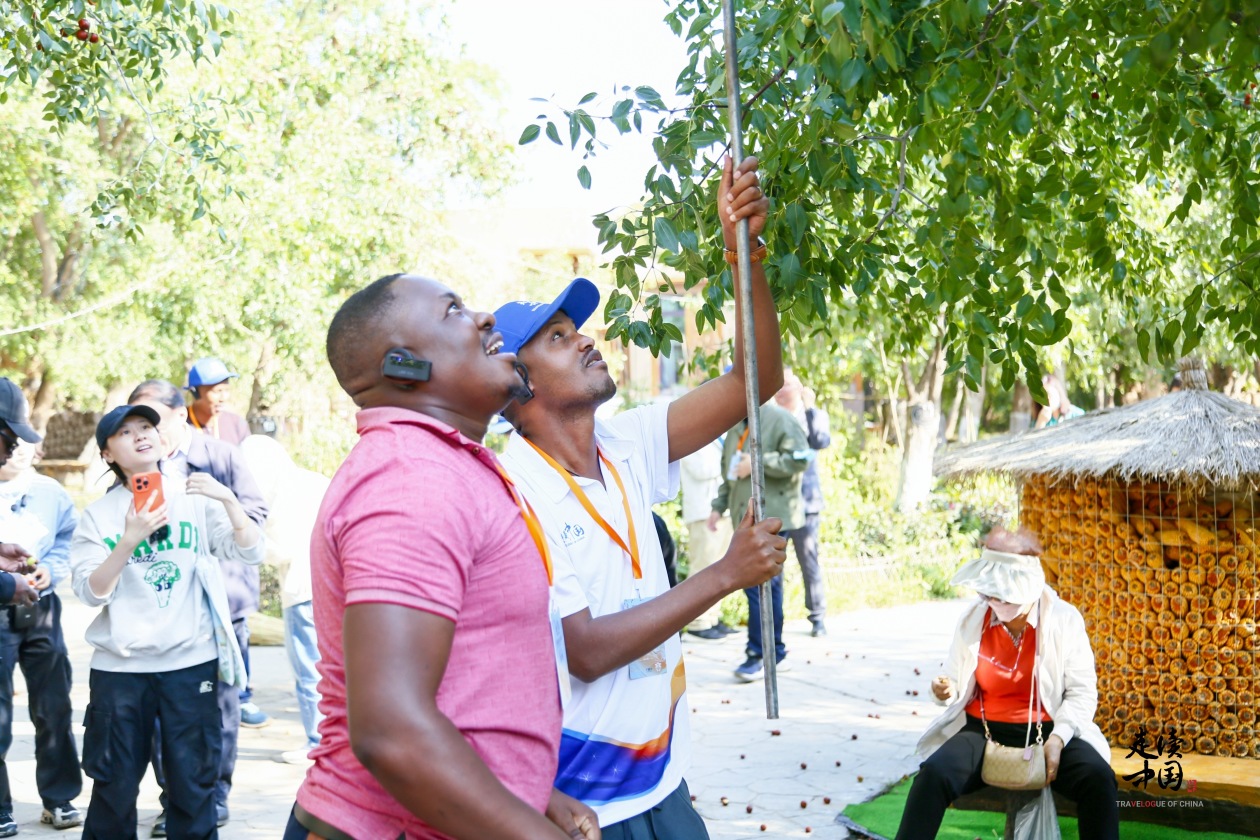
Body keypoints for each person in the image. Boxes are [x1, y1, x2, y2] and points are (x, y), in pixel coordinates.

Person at [494, 155, 788, 839]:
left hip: (664, 778)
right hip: (586, 805)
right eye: (558, 338)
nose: (586, 340)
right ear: (518, 386)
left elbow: (757, 376)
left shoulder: (625, 442)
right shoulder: (518, 492)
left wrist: (742, 255)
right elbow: (586, 650)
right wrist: (726, 574)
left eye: (577, 329)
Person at [287, 274, 598, 840]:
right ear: (403, 365)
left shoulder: (438, 463)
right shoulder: (411, 478)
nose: (484, 318)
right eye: (453, 310)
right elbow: (392, 732)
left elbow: (463, 689)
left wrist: (529, 793)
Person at [71, 405, 264, 840]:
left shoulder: (194, 496)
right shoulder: (99, 515)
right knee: (113, 789)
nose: (141, 435)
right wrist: (129, 540)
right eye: (125, 433)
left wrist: (229, 500)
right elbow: (90, 591)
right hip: (120, 672)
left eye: (146, 427)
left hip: (190, 666)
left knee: (193, 787)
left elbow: (250, 551)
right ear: (107, 454)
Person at [894, 527, 1118, 840]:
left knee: (1098, 778)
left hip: (1051, 731)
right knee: (933, 775)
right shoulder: (974, 619)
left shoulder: (1064, 620)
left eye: (999, 594)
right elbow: (953, 677)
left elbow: (1082, 693)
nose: (990, 600)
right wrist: (944, 691)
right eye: (986, 593)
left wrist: (1059, 739)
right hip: (983, 731)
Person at [127, 379, 270, 835]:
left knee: (220, 709)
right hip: (163, 610)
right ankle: (174, 799)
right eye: (136, 424)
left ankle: (214, 795)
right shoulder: (140, 469)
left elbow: (256, 515)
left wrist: (217, 514)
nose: (145, 432)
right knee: (160, 713)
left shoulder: (222, 455)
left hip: (221, 603)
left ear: (178, 413)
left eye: (152, 420)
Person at [0, 438, 84, 834]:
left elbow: (68, 540)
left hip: (41, 608)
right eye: (10, 440)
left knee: (53, 706)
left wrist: (51, 567)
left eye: (25, 440)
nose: (18, 448)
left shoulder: (51, 492)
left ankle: (59, 797)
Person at [239, 434, 328, 765]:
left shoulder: (273, 496)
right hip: (336, 585)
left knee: (309, 667)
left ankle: (318, 741)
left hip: (303, 589)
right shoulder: (313, 481)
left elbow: (278, 550)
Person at [709, 397, 810, 681]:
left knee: (759, 586)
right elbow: (730, 473)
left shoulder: (780, 418)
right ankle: (774, 652)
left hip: (772, 516)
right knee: (763, 586)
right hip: (744, 519)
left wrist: (757, 463)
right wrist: (718, 506)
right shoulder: (735, 426)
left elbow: (801, 458)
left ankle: (759, 654)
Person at [773, 371, 831, 636]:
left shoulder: (812, 415)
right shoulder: (771, 416)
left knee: (809, 560)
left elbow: (820, 441)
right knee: (774, 565)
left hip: (806, 502)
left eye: (785, 385)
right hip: (778, 502)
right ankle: (775, 623)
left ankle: (817, 617)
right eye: (778, 385)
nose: (780, 390)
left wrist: (810, 408)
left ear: (799, 388)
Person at [681, 437, 735, 639]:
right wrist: (730, 463)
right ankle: (697, 622)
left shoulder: (723, 437)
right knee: (702, 567)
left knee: (721, 566)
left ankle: (712, 617)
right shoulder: (691, 438)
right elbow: (701, 470)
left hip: (722, 511)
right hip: (702, 512)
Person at [185, 358, 251, 445]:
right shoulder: (180, 424)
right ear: (195, 393)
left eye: (227, 390)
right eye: (217, 391)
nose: (223, 398)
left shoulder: (237, 424)